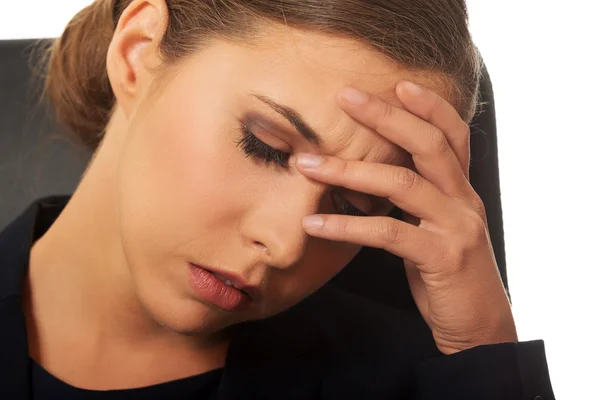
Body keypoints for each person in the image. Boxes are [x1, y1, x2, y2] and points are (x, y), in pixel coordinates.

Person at [0, 0, 556, 398]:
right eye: (264, 147)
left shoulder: (409, 379)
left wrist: (483, 354)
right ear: (137, 53)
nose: (286, 245)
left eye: (355, 203)